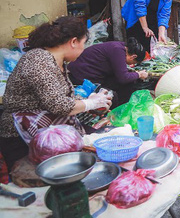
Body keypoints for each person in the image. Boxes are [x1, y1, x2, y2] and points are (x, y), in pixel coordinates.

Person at [0, 17, 112, 171]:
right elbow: (58, 105)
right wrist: (90, 104)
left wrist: (89, 100)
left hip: (44, 132)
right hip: (20, 137)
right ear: (73, 42)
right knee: (37, 182)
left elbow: (58, 96)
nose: (83, 49)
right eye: (83, 43)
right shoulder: (38, 59)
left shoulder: (57, 62)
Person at [68, 38, 148, 107]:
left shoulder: (121, 47)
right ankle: (116, 112)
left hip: (93, 75)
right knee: (113, 95)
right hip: (81, 77)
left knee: (128, 83)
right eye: (133, 62)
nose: (131, 64)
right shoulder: (118, 50)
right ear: (133, 56)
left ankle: (122, 107)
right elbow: (123, 78)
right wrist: (139, 74)